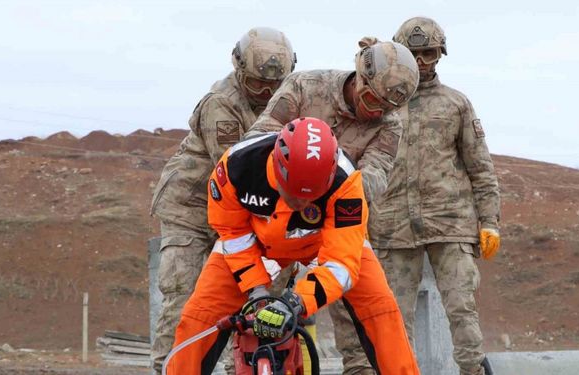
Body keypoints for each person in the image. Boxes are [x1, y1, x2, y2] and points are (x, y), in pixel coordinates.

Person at [165, 118, 420, 375]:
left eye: (311, 195)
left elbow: (342, 264)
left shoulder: (348, 184)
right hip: (256, 243)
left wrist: (295, 302)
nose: (301, 202)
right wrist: (255, 289)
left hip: (324, 244)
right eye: (294, 193)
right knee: (199, 316)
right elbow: (232, 231)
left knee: (381, 309)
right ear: (278, 166)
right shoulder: (236, 168)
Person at [244, 38, 419, 374]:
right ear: (359, 78)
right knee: (261, 314)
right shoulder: (305, 88)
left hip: (339, 224)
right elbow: (258, 142)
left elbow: (375, 179)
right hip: (280, 218)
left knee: (363, 320)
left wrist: (326, 188)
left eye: (385, 108)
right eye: (370, 99)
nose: (375, 112)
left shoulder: (389, 124)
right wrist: (297, 180)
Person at [149, 26, 296, 374]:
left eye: (273, 86)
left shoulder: (287, 100)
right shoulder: (221, 103)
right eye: (257, 84)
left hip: (242, 210)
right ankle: (169, 368)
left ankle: (240, 368)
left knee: (251, 298)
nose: (265, 93)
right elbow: (234, 168)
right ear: (239, 69)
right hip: (193, 210)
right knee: (183, 300)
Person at [368, 17, 501, 375]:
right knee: (394, 317)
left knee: (462, 311)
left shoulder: (456, 104)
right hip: (392, 228)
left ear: (440, 55)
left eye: (429, 53)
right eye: (415, 54)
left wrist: (489, 222)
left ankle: (473, 371)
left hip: (451, 224)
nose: (422, 62)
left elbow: (480, 168)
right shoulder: (379, 103)